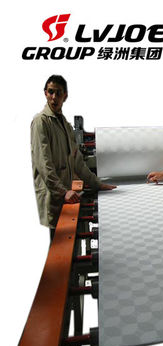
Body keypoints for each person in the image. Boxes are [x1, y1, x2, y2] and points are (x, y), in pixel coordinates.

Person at [31, 75, 116, 239]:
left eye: (58, 93)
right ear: (45, 93)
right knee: (59, 241)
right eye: (51, 92)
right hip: (54, 194)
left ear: (65, 96)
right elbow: (44, 164)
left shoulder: (65, 125)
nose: (54, 97)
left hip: (67, 192)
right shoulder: (41, 122)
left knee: (66, 235)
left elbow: (77, 162)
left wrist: (97, 184)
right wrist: (63, 192)